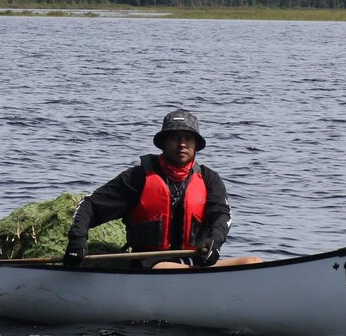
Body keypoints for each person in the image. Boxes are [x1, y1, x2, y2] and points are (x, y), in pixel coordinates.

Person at [64, 109, 258, 268]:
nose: (182, 144)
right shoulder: (138, 177)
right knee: (167, 268)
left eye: (188, 138)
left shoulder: (209, 179)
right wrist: (77, 242)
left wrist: (215, 241)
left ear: (196, 145)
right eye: (174, 138)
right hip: (151, 266)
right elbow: (88, 205)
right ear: (163, 144)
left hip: (194, 264)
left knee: (253, 263)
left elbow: (222, 216)